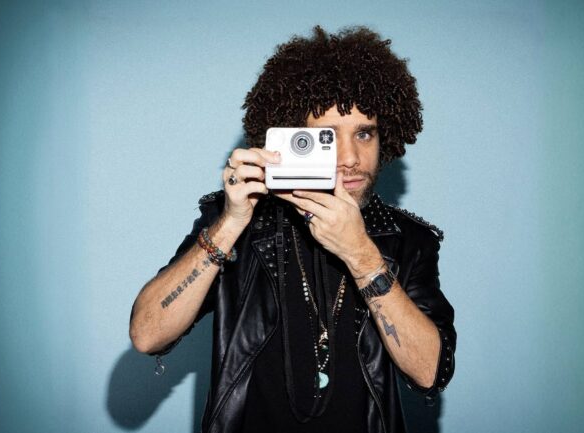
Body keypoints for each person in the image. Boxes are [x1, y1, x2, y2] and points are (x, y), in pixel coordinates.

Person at [129, 26, 456, 433]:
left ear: (385, 136)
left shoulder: (407, 241)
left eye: (364, 133)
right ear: (292, 137)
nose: (351, 158)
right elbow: (146, 335)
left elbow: (430, 372)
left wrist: (363, 257)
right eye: (328, 137)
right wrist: (230, 224)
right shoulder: (238, 223)